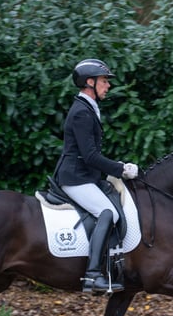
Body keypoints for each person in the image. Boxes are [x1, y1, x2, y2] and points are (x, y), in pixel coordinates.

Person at [53, 58, 138, 293]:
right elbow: (89, 156)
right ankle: (92, 276)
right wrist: (120, 169)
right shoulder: (82, 111)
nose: (107, 85)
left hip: (85, 175)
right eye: (103, 81)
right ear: (89, 82)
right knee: (107, 212)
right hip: (75, 178)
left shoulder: (89, 108)